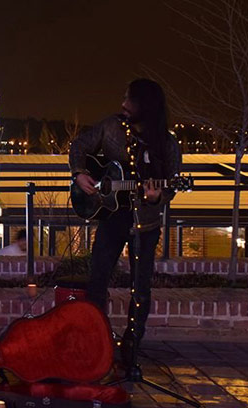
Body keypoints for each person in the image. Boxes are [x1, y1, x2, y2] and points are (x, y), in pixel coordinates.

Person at [69, 78, 181, 367]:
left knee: (140, 287)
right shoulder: (112, 127)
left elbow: (168, 189)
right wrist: (80, 174)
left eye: (129, 100)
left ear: (145, 105)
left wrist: (156, 196)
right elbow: (79, 145)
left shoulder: (167, 144)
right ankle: (96, 344)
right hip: (111, 217)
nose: (123, 105)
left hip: (145, 224)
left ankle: (131, 350)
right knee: (98, 279)